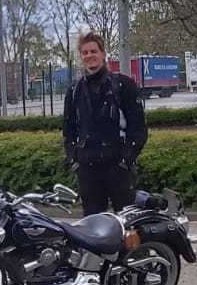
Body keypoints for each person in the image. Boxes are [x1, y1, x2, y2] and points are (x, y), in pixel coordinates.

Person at [62, 31, 148, 215]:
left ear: (103, 54)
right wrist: (74, 161)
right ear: (81, 57)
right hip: (88, 169)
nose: (89, 56)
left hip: (118, 167)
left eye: (93, 51)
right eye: (85, 52)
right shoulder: (74, 91)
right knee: (93, 225)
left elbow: (138, 129)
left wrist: (126, 161)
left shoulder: (123, 85)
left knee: (127, 222)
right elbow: (68, 132)